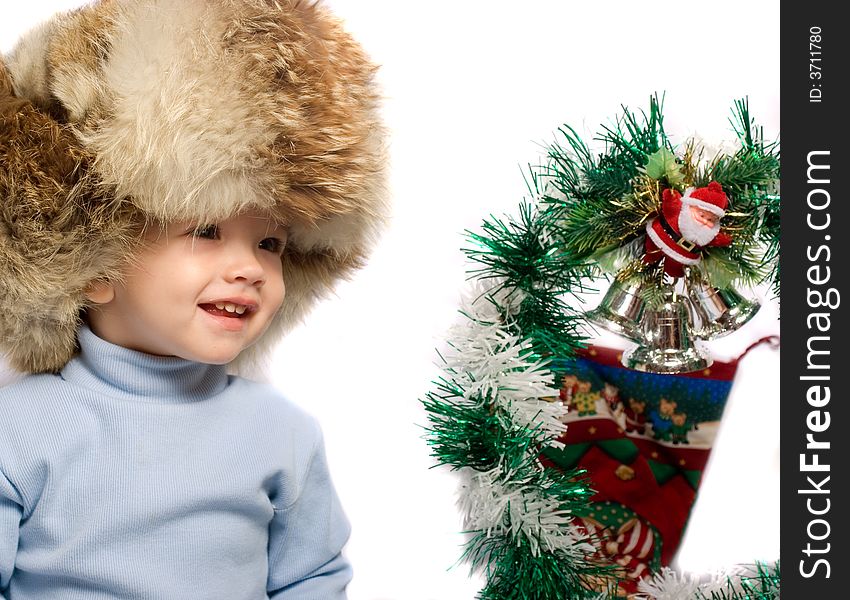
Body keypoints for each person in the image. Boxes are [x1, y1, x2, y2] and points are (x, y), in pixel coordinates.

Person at [0, 1, 386, 598]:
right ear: (92, 261)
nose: (250, 268)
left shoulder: (281, 434)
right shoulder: (19, 431)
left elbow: (312, 579)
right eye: (205, 230)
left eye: (270, 242)